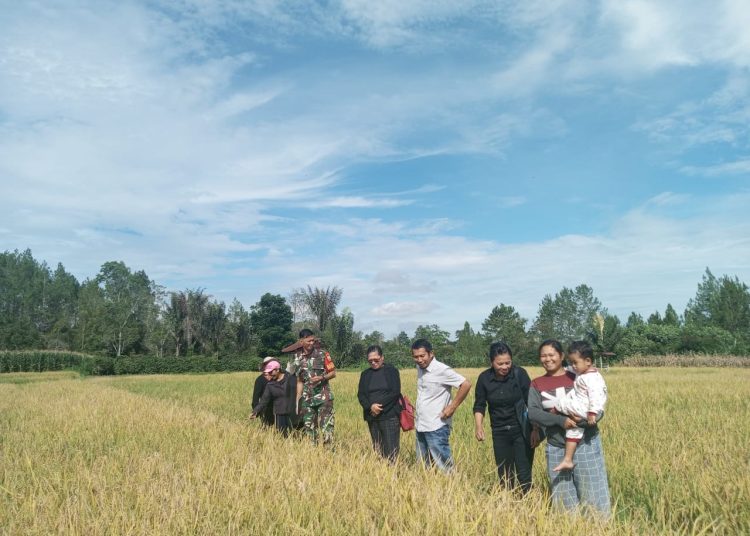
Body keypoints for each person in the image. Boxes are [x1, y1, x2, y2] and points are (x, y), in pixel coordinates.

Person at [528, 339, 611, 517]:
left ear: (561, 356)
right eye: (543, 355)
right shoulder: (537, 383)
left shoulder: (579, 374)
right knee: (563, 500)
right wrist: (561, 421)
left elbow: (598, 406)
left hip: (585, 444)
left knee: (594, 496)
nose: (547, 359)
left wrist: (580, 421)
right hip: (556, 446)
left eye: (552, 355)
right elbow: (533, 413)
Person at [473, 341, 539, 493]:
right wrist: (479, 426)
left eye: (508, 363)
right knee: (505, 474)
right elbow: (480, 405)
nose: (504, 367)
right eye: (500, 364)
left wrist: (535, 428)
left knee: (524, 473)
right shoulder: (484, 379)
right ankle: (509, 505)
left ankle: (527, 505)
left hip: (521, 430)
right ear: (492, 362)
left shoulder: (519, 374)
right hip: (499, 431)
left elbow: (532, 402)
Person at [544, 341, 608, 472]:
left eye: (575, 363)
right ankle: (568, 459)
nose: (573, 366)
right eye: (571, 362)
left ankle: (555, 410)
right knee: (574, 431)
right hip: (584, 408)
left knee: (564, 402)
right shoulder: (583, 372)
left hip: (586, 409)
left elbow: (596, 396)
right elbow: (569, 369)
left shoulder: (591, 378)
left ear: (588, 361)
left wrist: (592, 413)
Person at [412, 338, 471, 473]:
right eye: (416, 357)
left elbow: (466, 384)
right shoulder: (420, 368)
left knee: (444, 467)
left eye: (422, 356)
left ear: (431, 354)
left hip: (436, 426)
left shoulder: (441, 369)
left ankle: (453, 490)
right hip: (421, 425)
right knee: (423, 467)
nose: (419, 360)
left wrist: (452, 407)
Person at [357, 344, 402, 462]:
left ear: (382, 358)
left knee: (391, 450)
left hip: (389, 416)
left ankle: (393, 475)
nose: (373, 363)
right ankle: (381, 475)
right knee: (377, 449)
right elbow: (361, 395)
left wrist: (379, 407)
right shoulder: (365, 374)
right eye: (370, 361)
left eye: (376, 360)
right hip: (372, 416)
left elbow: (395, 392)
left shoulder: (391, 371)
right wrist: (370, 407)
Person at [296, 328, 336, 445]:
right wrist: (298, 399)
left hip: (323, 397)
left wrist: (322, 378)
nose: (311, 343)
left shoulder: (323, 354)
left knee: (327, 428)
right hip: (307, 400)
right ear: (301, 341)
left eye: (313, 340)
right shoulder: (297, 358)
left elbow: (333, 373)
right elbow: (299, 381)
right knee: (309, 429)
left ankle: (330, 455)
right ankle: (314, 456)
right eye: (308, 341)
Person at [249, 360, 296, 436]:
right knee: (282, 436)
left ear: (277, 370)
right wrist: (255, 411)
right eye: (268, 372)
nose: (269, 374)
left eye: (271, 372)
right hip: (279, 414)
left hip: (293, 413)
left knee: (296, 436)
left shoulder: (290, 379)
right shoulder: (270, 385)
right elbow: (263, 401)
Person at [251, 356, 276, 427]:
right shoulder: (260, 380)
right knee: (267, 429)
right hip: (265, 409)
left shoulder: (278, 377)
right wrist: (256, 412)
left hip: (279, 409)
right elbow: (255, 398)